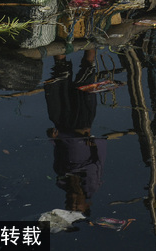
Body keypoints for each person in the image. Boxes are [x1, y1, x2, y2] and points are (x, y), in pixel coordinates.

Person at [45, 49, 106, 217]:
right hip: (82, 124)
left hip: (62, 124)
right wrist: (94, 141)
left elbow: (58, 153)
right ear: (87, 205)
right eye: (76, 205)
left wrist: (53, 137)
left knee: (58, 81)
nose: (72, 201)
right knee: (86, 74)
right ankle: (90, 38)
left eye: (69, 204)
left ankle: (59, 43)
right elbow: (98, 160)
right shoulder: (92, 184)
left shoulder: (61, 180)